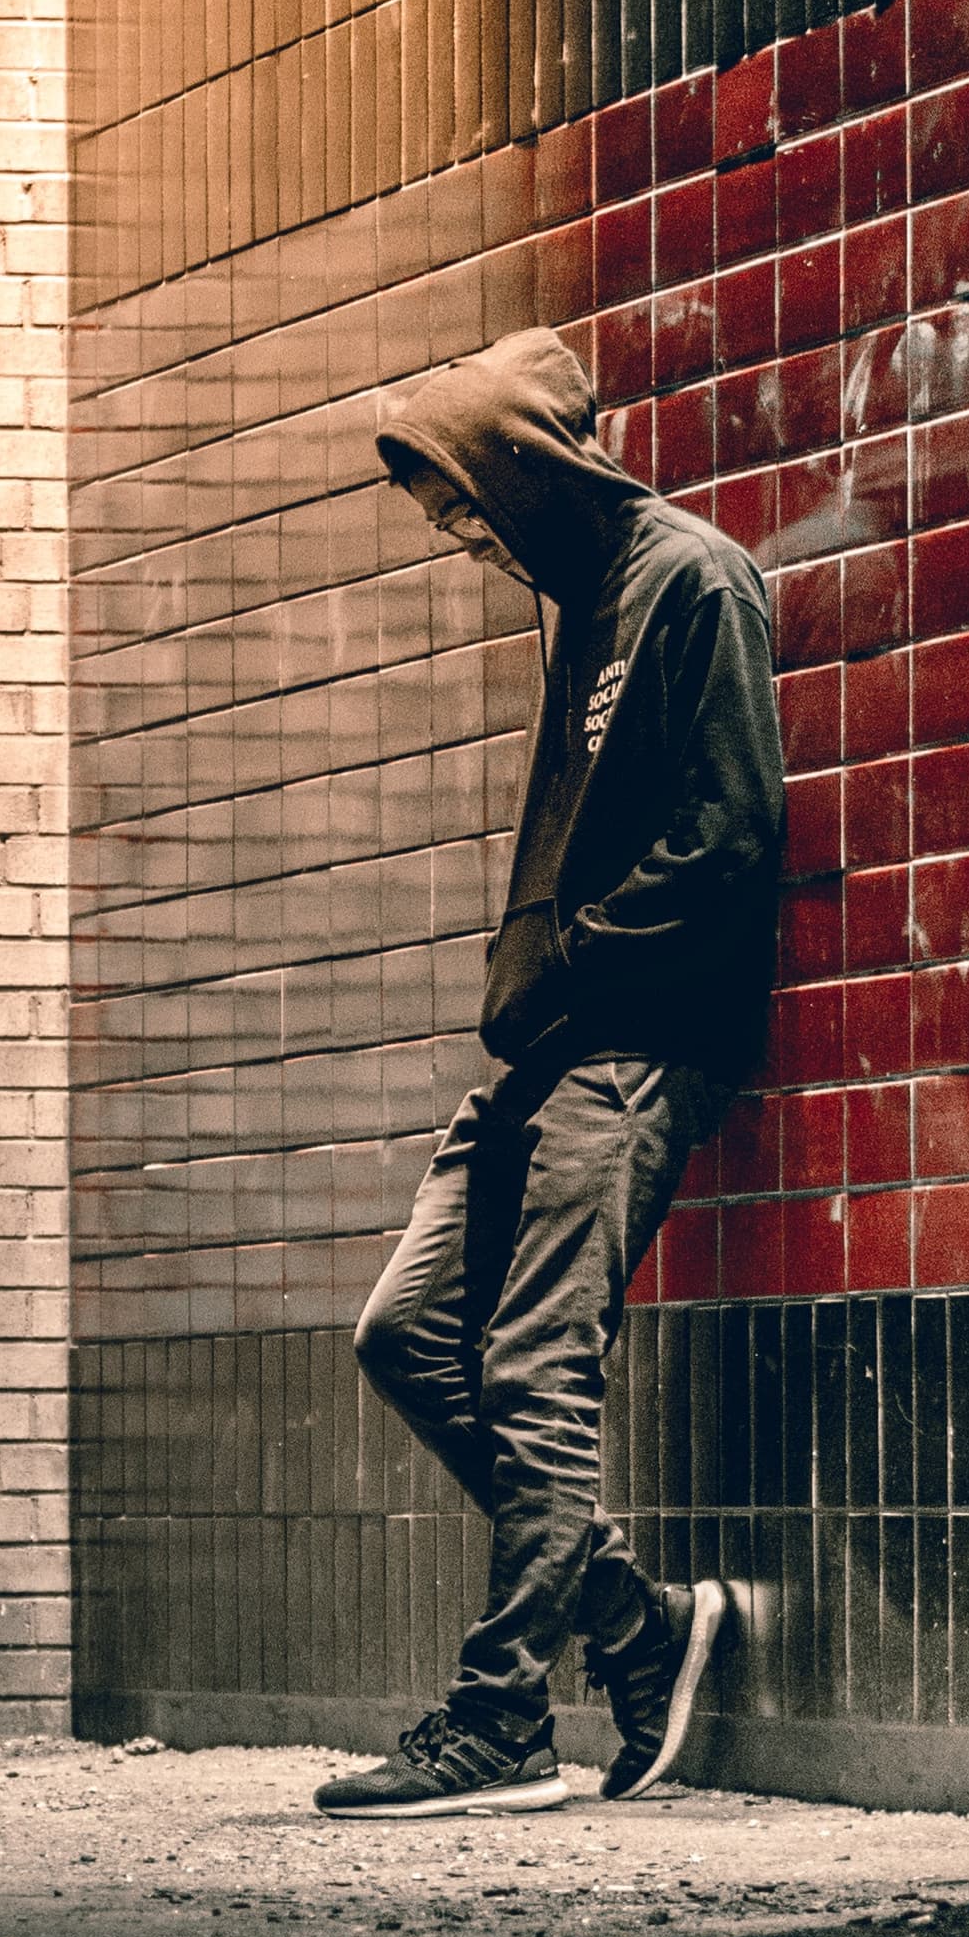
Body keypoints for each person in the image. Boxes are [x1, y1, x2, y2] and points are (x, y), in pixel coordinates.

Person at [318, 328, 785, 1820]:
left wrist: (573, 957)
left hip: (640, 1044)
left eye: (464, 500)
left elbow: (731, 838)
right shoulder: (580, 605)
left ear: (530, 466)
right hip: (550, 1044)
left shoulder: (691, 582)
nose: (459, 536)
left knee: (533, 1360)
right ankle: (634, 1625)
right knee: (406, 1334)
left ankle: (504, 1715)